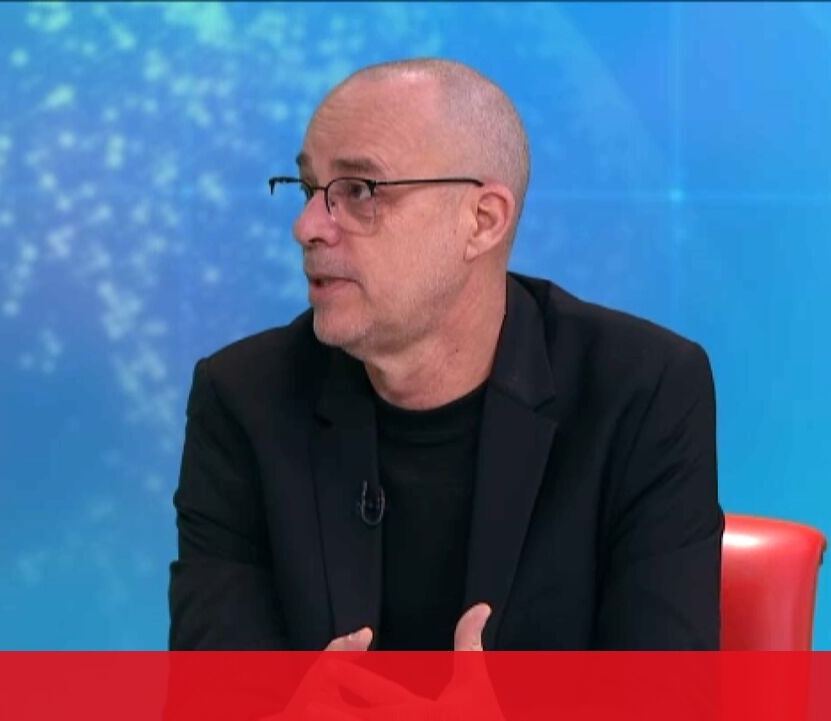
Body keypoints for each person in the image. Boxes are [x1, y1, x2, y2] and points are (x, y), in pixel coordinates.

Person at [168, 58, 722, 651]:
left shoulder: (642, 391)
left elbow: (666, 692)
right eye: (309, 190)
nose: (306, 227)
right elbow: (215, 688)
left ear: (482, 221)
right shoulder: (243, 398)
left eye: (358, 190)